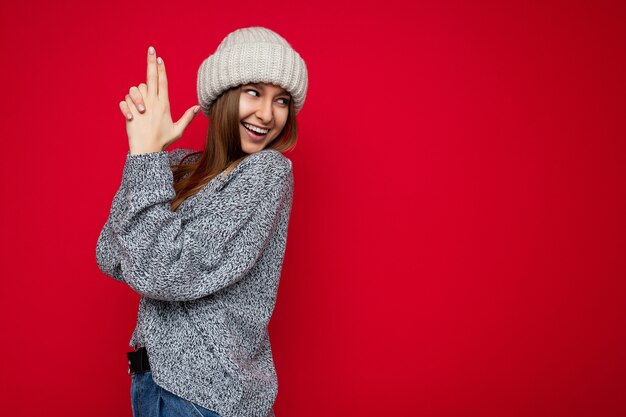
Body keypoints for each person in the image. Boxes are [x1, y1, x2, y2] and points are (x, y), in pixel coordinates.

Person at [95, 26, 308, 417]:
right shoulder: (177, 165)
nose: (266, 113)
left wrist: (146, 160)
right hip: (150, 383)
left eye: (281, 100)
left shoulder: (267, 173)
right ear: (223, 95)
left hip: (208, 398)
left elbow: (161, 272)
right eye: (253, 92)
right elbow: (110, 254)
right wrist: (149, 154)